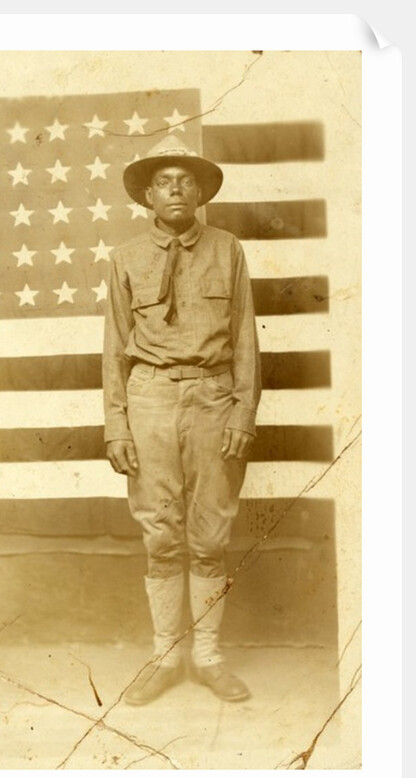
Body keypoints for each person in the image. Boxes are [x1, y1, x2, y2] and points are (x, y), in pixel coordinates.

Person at [103, 135, 261, 706]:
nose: (175, 189)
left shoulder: (227, 248)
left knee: (210, 534)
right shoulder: (125, 258)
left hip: (214, 398)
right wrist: (116, 425)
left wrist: (244, 410)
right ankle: (168, 655)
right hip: (147, 399)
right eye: (164, 181)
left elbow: (244, 337)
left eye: (185, 180)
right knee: (162, 534)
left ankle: (210, 656)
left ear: (200, 192)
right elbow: (114, 347)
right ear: (148, 195)